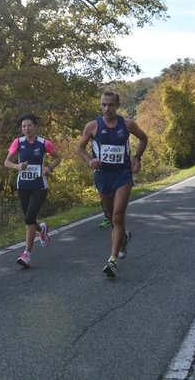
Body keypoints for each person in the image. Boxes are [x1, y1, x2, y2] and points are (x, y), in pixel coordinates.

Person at [78, 91, 148, 278]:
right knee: (111, 217)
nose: (106, 108)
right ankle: (124, 236)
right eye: (103, 105)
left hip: (123, 175)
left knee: (117, 216)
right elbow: (80, 147)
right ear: (100, 105)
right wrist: (89, 161)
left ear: (117, 106)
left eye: (110, 105)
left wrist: (137, 158)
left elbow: (143, 138)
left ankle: (112, 261)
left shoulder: (127, 124)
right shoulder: (92, 126)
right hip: (102, 176)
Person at [3, 113, 62, 268]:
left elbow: (58, 158)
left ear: (36, 126)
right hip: (23, 186)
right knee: (29, 219)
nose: (26, 129)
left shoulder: (44, 143)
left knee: (29, 218)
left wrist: (49, 168)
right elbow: (7, 162)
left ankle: (26, 255)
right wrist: (18, 166)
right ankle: (41, 229)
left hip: (39, 186)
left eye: (29, 125)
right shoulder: (18, 142)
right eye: (23, 126)